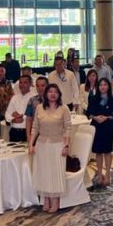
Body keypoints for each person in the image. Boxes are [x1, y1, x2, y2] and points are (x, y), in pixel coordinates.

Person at [30, 84, 72, 213]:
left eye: (55, 92)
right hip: (42, 144)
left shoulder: (64, 108)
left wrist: (66, 146)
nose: (52, 94)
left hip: (57, 144)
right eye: (50, 92)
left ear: (59, 94)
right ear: (46, 94)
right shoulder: (39, 108)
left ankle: (55, 201)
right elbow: (35, 127)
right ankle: (46, 199)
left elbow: (68, 128)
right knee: (43, 172)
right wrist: (31, 144)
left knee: (55, 173)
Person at [84, 78, 113, 189]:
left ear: (108, 86)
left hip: (108, 126)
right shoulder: (93, 98)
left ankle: (107, 174)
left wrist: (107, 117)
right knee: (98, 152)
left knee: (108, 151)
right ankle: (99, 174)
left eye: (105, 85)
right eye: (100, 85)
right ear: (98, 87)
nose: (103, 87)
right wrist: (95, 117)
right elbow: (88, 113)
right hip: (97, 127)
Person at [5, 76, 34, 143]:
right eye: (20, 82)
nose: (22, 85)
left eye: (25, 82)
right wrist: (13, 119)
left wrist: (20, 117)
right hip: (14, 131)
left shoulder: (34, 98)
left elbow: (32, 115)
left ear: (30, 84)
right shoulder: (15, 97)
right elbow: (7, 113)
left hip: (27, 131)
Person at [25, 76, 48, 143]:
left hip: (50, 134)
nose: (40, 88)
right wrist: (28, 136)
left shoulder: (53, 100)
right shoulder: (32, 100)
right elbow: (28, 119)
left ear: (48, 86)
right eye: (37, 86)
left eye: (43, 86)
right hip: (35, 134)